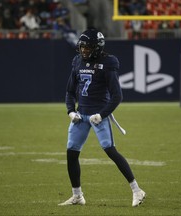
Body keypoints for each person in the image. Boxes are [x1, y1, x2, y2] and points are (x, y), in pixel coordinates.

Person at [59, 28, 146, 207]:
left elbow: (117, 96)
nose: (84, 51)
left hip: (98, 114)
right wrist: (70, 111)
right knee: (71, 153)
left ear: (97, 48)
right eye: (82, 47)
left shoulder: (108, 63)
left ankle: (137, 190)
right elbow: (69, 91)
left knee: (110, 150)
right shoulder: (77, 61)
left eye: (88, 47)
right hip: (81, 114)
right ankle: (77, 196)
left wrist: (102, 114)